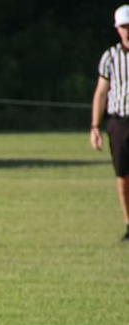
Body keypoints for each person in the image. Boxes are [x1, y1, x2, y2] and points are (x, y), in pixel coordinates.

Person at [91, 5, 129, 243]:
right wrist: (95, 126)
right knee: (123, 176)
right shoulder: (111, 57)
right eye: (124, 26)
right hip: (119, 123)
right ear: (117, 29)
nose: (128, 31)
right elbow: (101, 92)